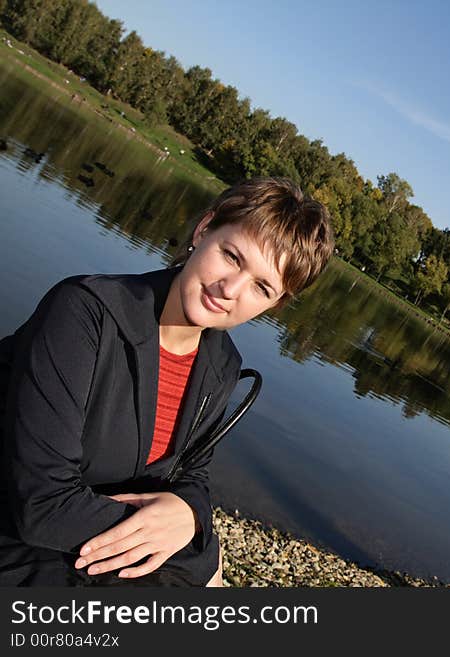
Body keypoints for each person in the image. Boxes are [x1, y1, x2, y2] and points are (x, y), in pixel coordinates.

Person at [0, 177, 334, 586]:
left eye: (261, 287)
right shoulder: (85, 313)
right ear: (204, 229)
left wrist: (189, 514)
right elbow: (40, 503)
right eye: (231, 256)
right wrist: (195, 547)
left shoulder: (222, 365)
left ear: (274, 304)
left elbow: (192, 473)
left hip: (80, 541)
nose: (230, 290)